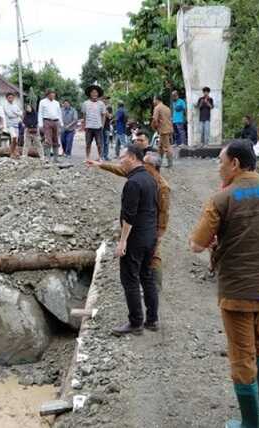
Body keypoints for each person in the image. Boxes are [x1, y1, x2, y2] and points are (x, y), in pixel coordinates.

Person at [189, 140, 259, 428]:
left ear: (235, 164)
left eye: (220, 161)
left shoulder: (222, 199)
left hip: (237, 291)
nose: (218, 167)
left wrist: (213, 240)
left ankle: (250, 424)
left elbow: (195, 244)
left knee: (242, 355)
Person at [86, 131, 170, 290]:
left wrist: (160, 231)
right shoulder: (143, 175)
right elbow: (120, 170)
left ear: (153, 166)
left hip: (151, 225)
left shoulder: (163, 186)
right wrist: (100, 165)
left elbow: (164, 212)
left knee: (155, 256)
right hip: (141, 225)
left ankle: (155, 287)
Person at [112, 144, 159, 336]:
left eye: (122, 157)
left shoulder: (133, 183)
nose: (119, 161)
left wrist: (122, 241)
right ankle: (152, 319)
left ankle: (135, 322)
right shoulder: (149, 178)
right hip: (150, 236)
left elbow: (129, 216)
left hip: (135, 238)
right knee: (147, 277)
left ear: (132, 157)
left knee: (130, 279)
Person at [83, 85, 107, 161]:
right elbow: (84, 115)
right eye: (93, 92)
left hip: (98, 127)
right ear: (90, 94)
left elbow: (103, 115)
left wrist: (102, 125)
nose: (94, 94)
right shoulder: (85, 103)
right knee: (88, 144)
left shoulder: (101, 104)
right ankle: (87, 157)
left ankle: (100, 157)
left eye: (96, 93)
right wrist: (85, 125)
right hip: (88, 127)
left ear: (98, 94)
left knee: (99, 144)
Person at [38, 89, 63, 162]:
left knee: (56, 139)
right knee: (48, 140)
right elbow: (40, 113)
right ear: (48, 94)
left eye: (54, 94)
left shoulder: (57, 103)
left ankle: (56, 158)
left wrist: (61, 123)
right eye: (51, 94)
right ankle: (48, 158)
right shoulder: (42, 102)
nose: (53, 95)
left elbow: (59, 113)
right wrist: (40, 124)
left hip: (56, 121)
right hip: (47, 121)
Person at [151, 94, 174, 168]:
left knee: (167, 147)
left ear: (157, 99)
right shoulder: (167, 108)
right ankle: (158, 163)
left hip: (163, 130)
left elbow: (155, 119)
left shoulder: (157, 108)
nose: (153, 101)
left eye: (154, 99)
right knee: (160, 147)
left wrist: (154, 127)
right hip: (168, 129)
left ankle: (170, 163)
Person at [3, 93, 22, 158]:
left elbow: (21, 113)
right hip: (10, 125)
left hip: (16, 124)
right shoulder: (5, 106)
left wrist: (15, 112)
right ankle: (11, 152)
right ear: (7, 98)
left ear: (13, 98)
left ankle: (14, 152)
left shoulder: (15, 105)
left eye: (12, 97)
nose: (11, 98)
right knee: (13, 137)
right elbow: (9, 115)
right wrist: (17, 114)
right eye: (9, 97)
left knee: (16, 140)